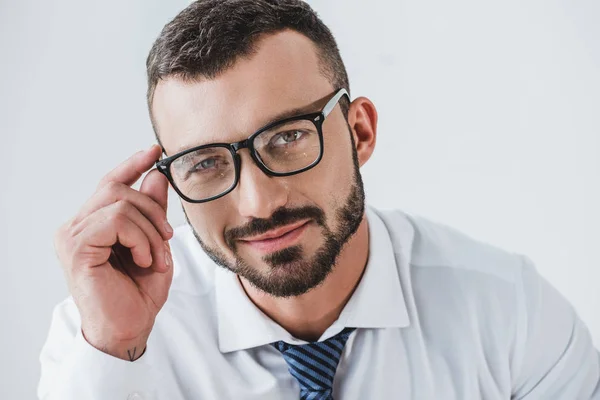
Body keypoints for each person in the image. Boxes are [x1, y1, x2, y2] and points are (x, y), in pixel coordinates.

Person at [38, 1, 600, 399]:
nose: (257, 203)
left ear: (360, 132)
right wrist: (116, 348)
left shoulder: (512, 316)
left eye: (287, 138)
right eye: (205, 163)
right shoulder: (100, 336)